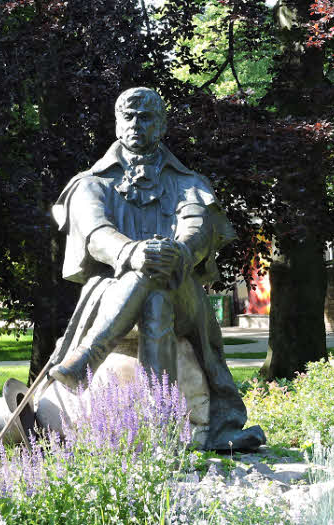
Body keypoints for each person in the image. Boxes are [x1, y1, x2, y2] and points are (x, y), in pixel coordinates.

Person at [47, 87, 264, 451]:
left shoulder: (188, 182)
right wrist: (132, 253)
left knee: (162, 283)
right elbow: (96, 233)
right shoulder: (90, 184)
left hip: (183, 290)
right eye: (128, 117)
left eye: (146, 117)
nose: (136, 124)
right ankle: (163, 427)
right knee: (155, 296)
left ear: (161, 125)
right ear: (117, 125)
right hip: (111, 292)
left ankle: (87, 359)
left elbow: (197, 228)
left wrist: (177, 251)